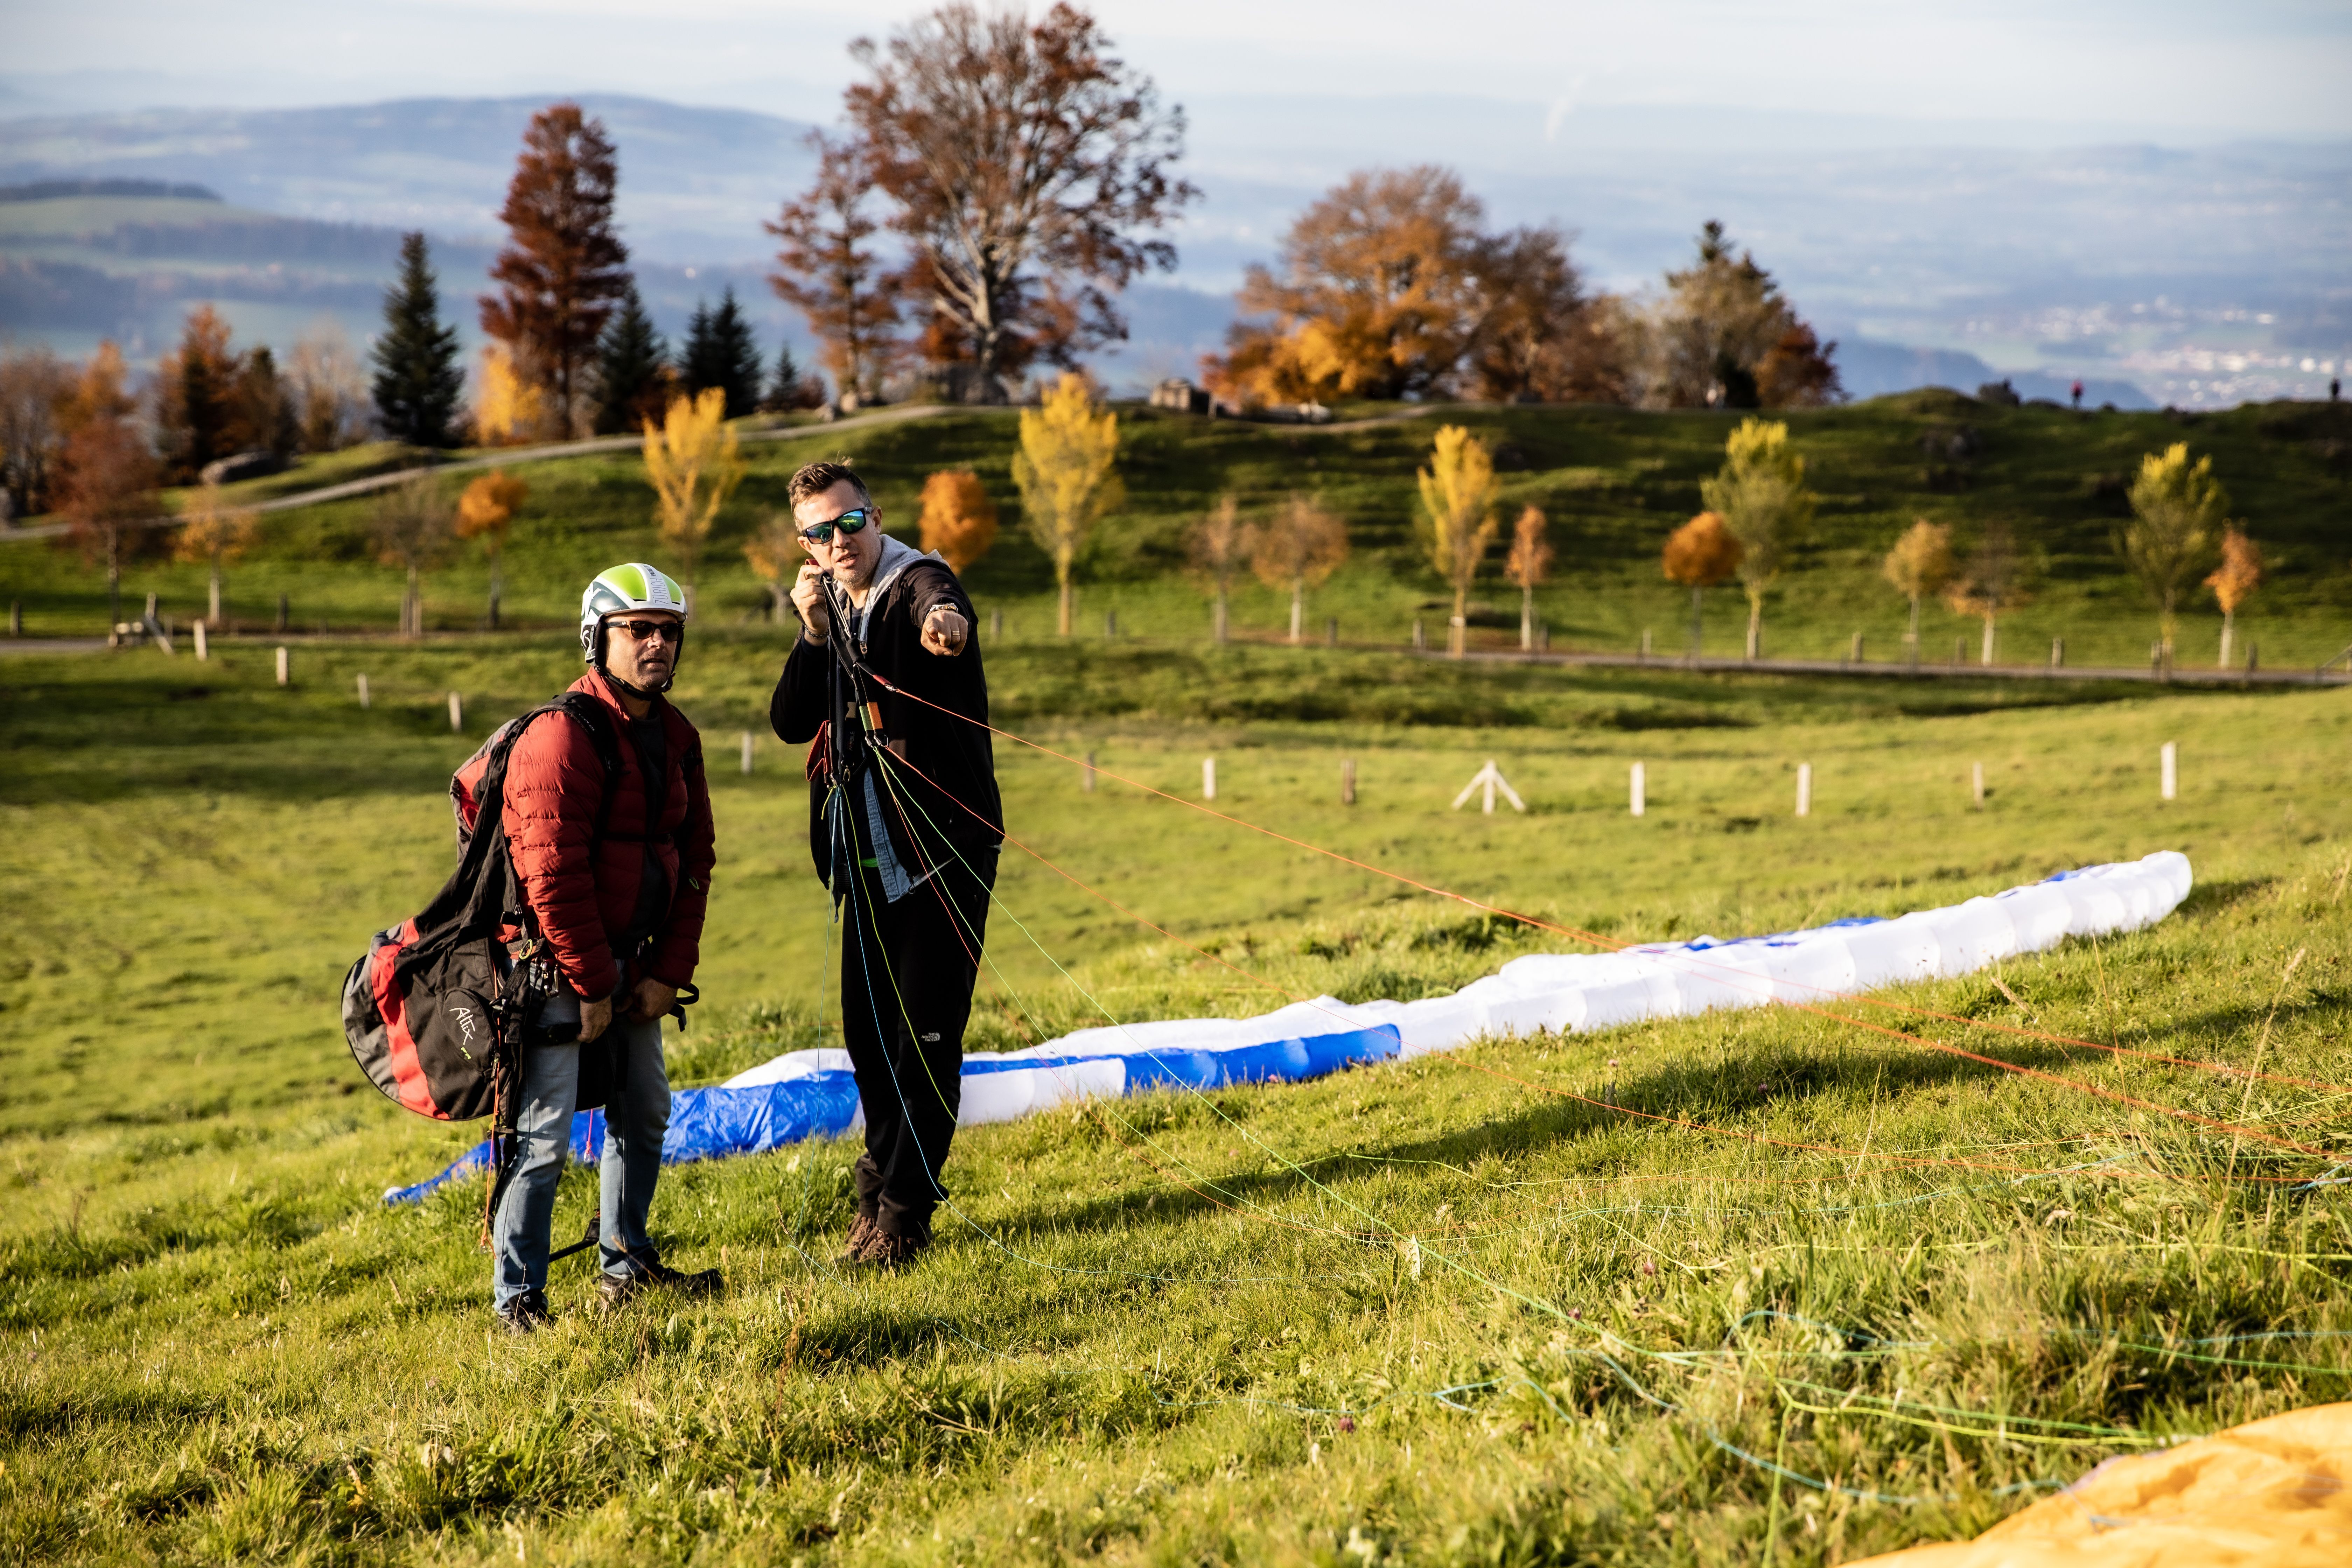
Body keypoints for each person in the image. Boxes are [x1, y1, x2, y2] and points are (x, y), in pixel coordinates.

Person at [770, 461, 1001, 1270]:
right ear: (804, 543)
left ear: (875, 516)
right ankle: (879, 1192)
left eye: (850, 522)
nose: (839, 541)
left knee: (924, 1038)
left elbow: (941, 606)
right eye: (819, 532)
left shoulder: (915, 581)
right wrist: (812, 633)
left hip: (941, 849)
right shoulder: (831, 605)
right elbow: (789, 720)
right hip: (866, 859)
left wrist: (946, 623)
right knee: (869, 1039)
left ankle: (905, 1215)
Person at [490, 562, 721, 1332]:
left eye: (669, 631)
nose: (658, 644)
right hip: (553, 964)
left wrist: (667, 972)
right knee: (544, 1136)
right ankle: (518, 1301)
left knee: (645, 1109)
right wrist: (591, 983)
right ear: (598, 638)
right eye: (638, 630)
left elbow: (696, 861)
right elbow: (550, 875)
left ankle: (627, 1268)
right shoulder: (561, 735)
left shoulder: (677, 736)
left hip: (633, 961)